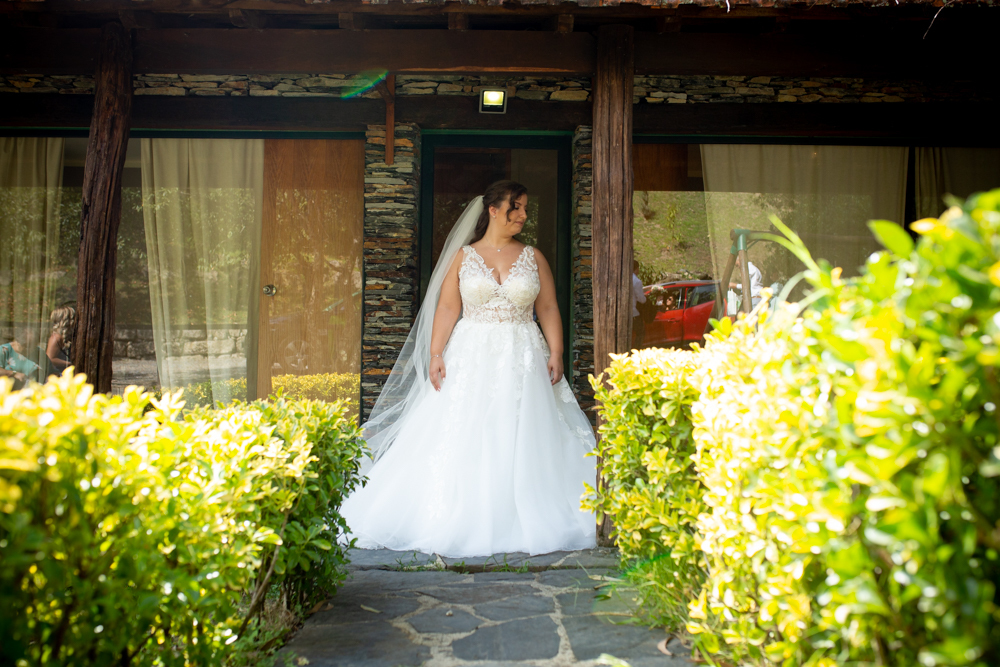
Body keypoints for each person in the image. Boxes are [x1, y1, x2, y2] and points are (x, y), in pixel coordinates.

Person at [341, 181, 597, 557]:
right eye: (516, 207)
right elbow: (447, 308)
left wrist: (556, 351)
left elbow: (547, 308)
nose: (523, 215)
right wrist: (435, 353)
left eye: (525, 207)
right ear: (492, 209)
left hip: (522, 354)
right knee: (466, 426)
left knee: (522, 428)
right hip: (470, 354)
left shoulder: (533, 256)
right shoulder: (464, 257)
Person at [46, 304, 76, 377]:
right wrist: (70, 364)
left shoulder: (65, 337)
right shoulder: (56, 337)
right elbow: (50, 358)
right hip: (58, 376)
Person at [631, 260, 646, 349]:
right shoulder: (636, 281)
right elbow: (641, 299)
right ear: (636, 269)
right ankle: (636, 351)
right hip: (633, 312)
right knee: (641, 333)